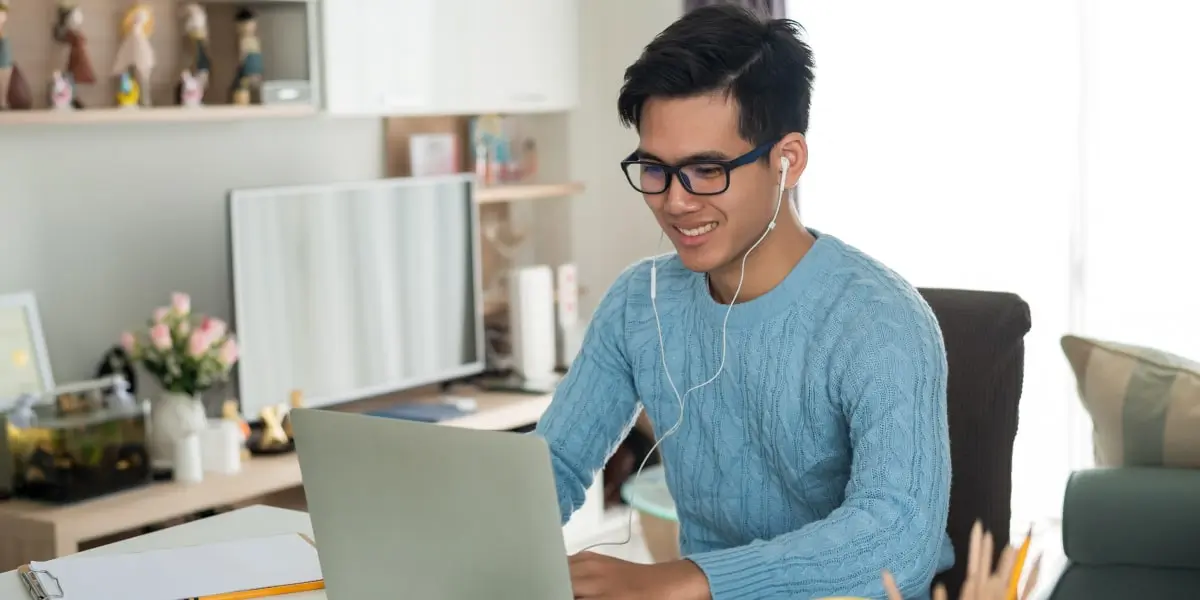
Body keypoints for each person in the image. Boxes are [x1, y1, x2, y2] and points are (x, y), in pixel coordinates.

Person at [533, 5, 955, 599]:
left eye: (707, 170)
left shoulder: (879, 321)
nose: (675, 202)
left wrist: (690, 580)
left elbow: (896, 542)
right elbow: (549, 467)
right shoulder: (639, 302)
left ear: (788, 160)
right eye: (655, 168)